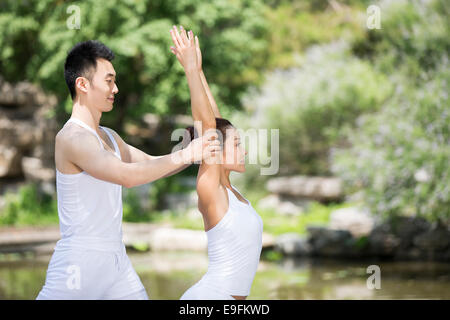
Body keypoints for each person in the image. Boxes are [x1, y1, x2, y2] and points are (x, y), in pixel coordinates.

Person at [36, 40, 220, 300]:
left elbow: (152, 165)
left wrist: (194, 155)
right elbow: (127, 176)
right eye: (109, 81)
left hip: (116, 262)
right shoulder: (71, 138)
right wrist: (187, 154)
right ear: (83, 84)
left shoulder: (110, 137)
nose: (116, 89)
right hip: (79, 264)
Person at [169, 26, 263, 300]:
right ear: (217, 152)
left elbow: (216, 122)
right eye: (237, 145)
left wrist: (199, 71)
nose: (243, 150)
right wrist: (189, 71)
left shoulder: (230, 191)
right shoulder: (212, 190)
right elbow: (210, 128)